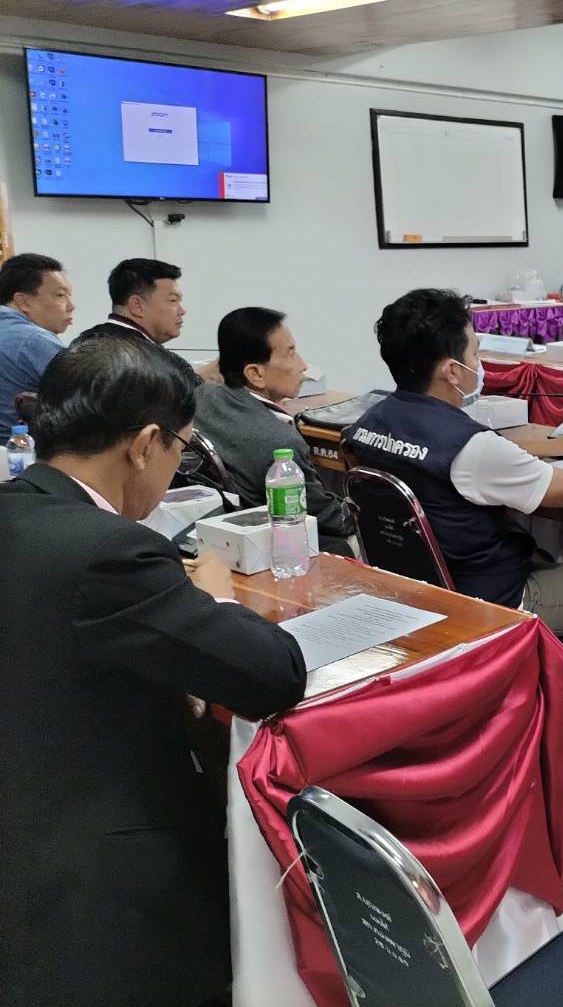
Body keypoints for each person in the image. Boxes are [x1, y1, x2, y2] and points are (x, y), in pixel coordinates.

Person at [0, 336, 306, 1006]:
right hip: (96, 891)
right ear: (144, 445)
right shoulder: (112, 551)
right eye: (180, 449)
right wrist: (214, 599)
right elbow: (274, 674)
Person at [343, 289, 563, 771]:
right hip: (489, 596)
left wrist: (553, 446)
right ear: (450, 370)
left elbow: (469, 457)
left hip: (416, 588)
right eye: (475, 353)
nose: (479, 364)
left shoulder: (371, 421)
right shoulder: (471, 449)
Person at [193, 307, 356, 555]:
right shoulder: (280, 442)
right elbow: (329, 518)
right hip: (277, 544)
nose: (303, 365)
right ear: (256, 373)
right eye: (290, 353)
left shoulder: (202, 397)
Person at [73, 257, 219, 384]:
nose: (182, 311)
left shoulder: (82, 343)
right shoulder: (146, 358)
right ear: (137, 305)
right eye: (173, 300)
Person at [0, 252, 73, 428]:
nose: (71, 306)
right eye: (60, 295)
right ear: (23, 301)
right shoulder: (33, 340)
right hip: (22, 443)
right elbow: (92, 397)